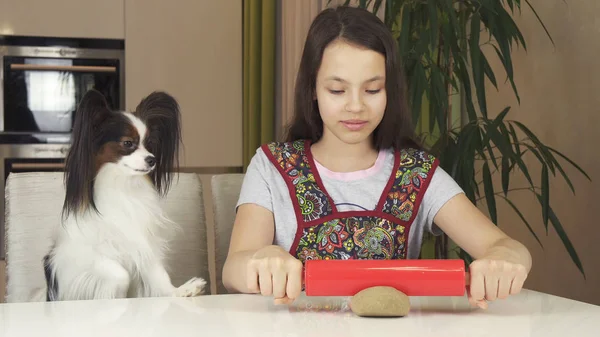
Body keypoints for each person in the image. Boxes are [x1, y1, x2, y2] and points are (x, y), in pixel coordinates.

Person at [222, 5, 531, 310]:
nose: (355, 106)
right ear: (313, 88)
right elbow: (232, 270)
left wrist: (506, 259)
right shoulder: (271, 165)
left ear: (389, 90)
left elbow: (504, 246)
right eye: (337, 90)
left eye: (372, 90)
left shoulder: (417, 172)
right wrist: (260, 262)